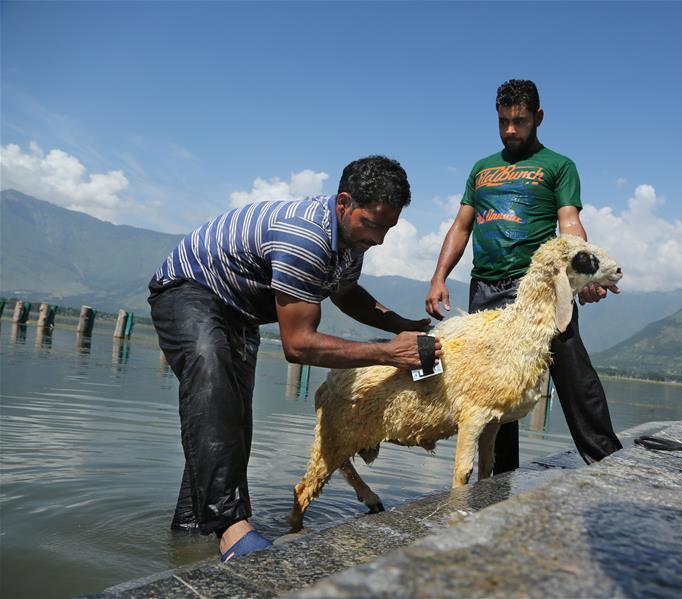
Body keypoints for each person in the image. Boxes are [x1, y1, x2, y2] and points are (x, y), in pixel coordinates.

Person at [149, 155, 440, 562]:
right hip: (189, 290)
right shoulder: (305, 237)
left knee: (232, 421)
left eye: (388, 228)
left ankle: (190, 530)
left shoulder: (349, 242)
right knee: (214, 391)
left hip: (239, 313)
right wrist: (390, 354)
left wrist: (403, 325)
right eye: (372, 225)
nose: (380, 239)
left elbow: (345, 292)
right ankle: (232, 529)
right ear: (343, 203)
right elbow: (298, 345)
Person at [426, 79, 621, 475]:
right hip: (485, 289)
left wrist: (584, 275)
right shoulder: (481, 169)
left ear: (538, 117)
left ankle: (609, 461)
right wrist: (439, 276)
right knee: (495, 388)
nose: (510, 130)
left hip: (537, 290)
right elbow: (461, 227)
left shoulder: (558, 166)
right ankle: (498, 481)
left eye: (519, 121)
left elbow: (570, 224)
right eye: (503, 122)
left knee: (572, 370)